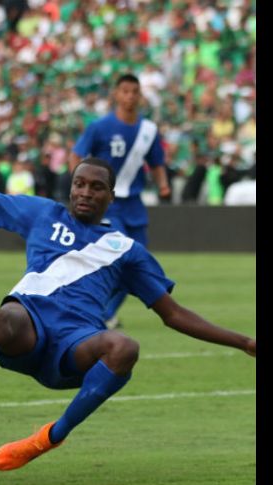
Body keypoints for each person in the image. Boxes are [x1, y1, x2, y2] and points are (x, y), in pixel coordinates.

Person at [0, 136, 255, 473]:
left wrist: (245, 342)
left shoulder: (127, 250)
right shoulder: (41, 213)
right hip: (28, 328)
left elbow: (174, 314)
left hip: (74, 346)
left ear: (111, 196)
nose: (85, 192)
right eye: (79, 184)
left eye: (96, 187)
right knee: (3, 315)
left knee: (125, 347)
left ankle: (49, 437)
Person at [70, 73, 171, 329]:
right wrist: (79, 184)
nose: (129, 97)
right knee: (119, 254)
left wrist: (163, 183)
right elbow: (76, 155)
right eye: (125, 91)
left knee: (136, 262)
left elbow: (156, 163)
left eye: (134, 92)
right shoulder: (99, 127)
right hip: (108, 204)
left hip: (134, 203)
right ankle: (99, 314)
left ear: (140, 96)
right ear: (116, 94)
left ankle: (106, 314)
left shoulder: (148, 130)